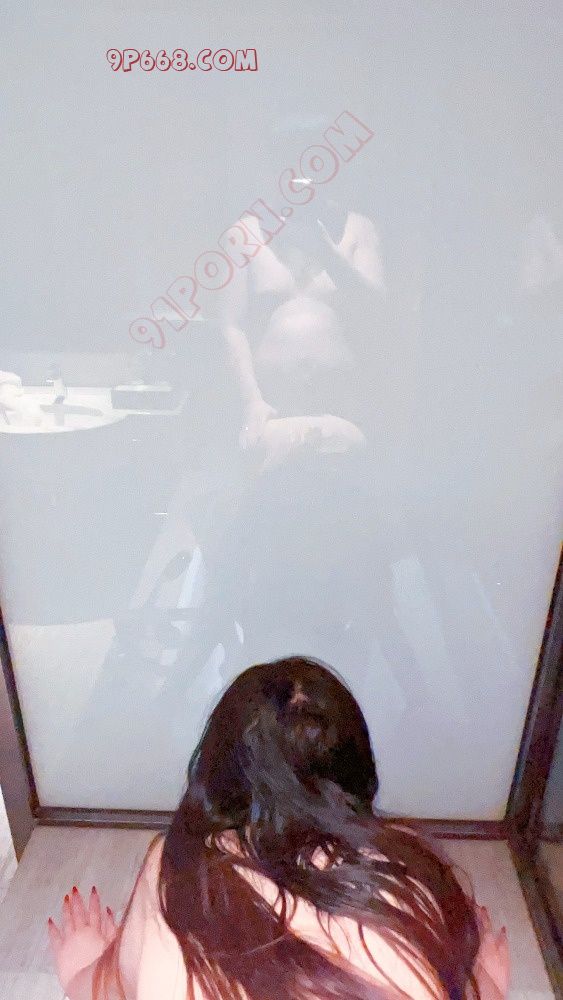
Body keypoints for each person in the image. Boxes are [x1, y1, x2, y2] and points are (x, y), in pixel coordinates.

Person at [48, 656, 510, 999]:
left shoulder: (175, 876)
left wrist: (81, 969)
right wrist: (485, 980)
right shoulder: (412, 869)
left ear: (216, 772)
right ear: (356, 769)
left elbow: (111, 990)